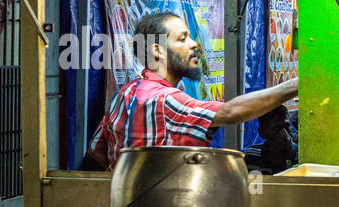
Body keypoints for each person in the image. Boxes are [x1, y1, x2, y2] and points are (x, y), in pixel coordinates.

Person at [88, 11, 297, 170]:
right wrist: (296, 85)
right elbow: (231, 112)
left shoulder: (124, 94)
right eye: (182, 38)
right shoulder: (164, 100)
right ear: (157, 50)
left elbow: (96, 150)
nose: (194, 43)